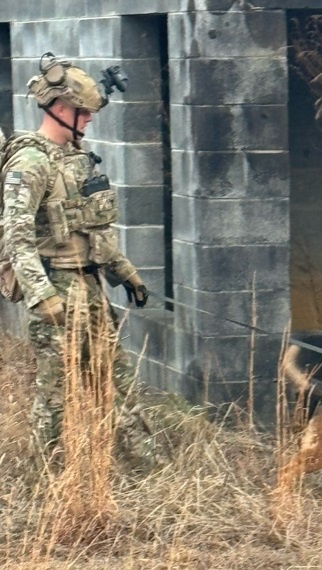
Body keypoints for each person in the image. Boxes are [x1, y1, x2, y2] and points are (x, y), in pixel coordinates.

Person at [0, 52, 156, 469]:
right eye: (84, 113)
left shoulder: (74, 158)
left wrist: (126, 274)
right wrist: (41, 295)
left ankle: (144, 469)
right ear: (61, 108)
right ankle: (48, 479)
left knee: (117, 381)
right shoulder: (29, 162)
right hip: (57, 289)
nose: (88, 120)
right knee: (56, 393)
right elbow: (14, 236)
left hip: (90, 287)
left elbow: (92, 229)